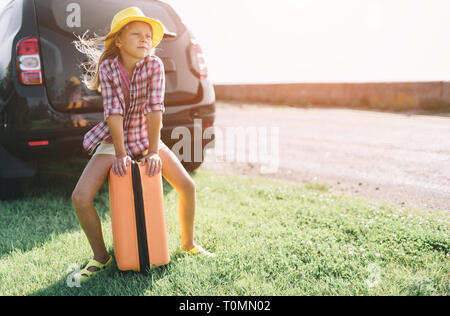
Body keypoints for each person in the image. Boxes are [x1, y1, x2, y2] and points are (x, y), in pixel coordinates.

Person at [71, 6, 214, 282]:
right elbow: (113, 112)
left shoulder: (154, 66)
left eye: (148, 35)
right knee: (80, 197)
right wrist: (121, 153)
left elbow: (155, 110)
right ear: (119, 41)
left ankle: (188, 243)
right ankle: (101, 256)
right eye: (136, 34)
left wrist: (152, 152)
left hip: (147, 136)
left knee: (187, 186)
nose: (145, 40)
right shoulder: (110, 67)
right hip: (116, 139)